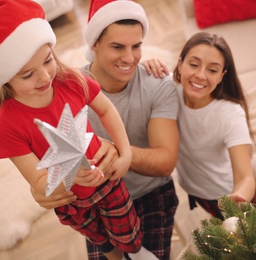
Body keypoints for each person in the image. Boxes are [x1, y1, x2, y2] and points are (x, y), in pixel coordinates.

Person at [0, 1, 158, 259]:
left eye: (48, 60)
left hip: (106, 179)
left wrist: (126, 152)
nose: (43, 77)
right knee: (98, 237)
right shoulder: (6, 125)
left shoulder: (72, 80)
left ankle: (134, 251)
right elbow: (39, 182)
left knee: (125, 223)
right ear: (4, 77)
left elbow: (106, 110)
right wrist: (70, 177)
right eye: (27, 75)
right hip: (70, 199)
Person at [31, 0, 180, 259]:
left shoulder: (158, 85)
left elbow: (166, 162)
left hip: (151, 193)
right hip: (95, 200)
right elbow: (46, 151)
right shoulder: (66, 90)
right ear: (95, 44)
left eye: (136, 46)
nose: (130, 57)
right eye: (117, 47)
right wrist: (40, 187)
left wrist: (117, 151)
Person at [144, 32, 256, 220]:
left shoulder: (230, 114)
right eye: (194, 65)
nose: (201, 75)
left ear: (222, 76)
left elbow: (246, 177)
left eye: (212, 70)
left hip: (224, 196)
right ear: (180, 64)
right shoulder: (167, 90)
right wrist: (143, 68)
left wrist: (237, 198)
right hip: (192, 189)